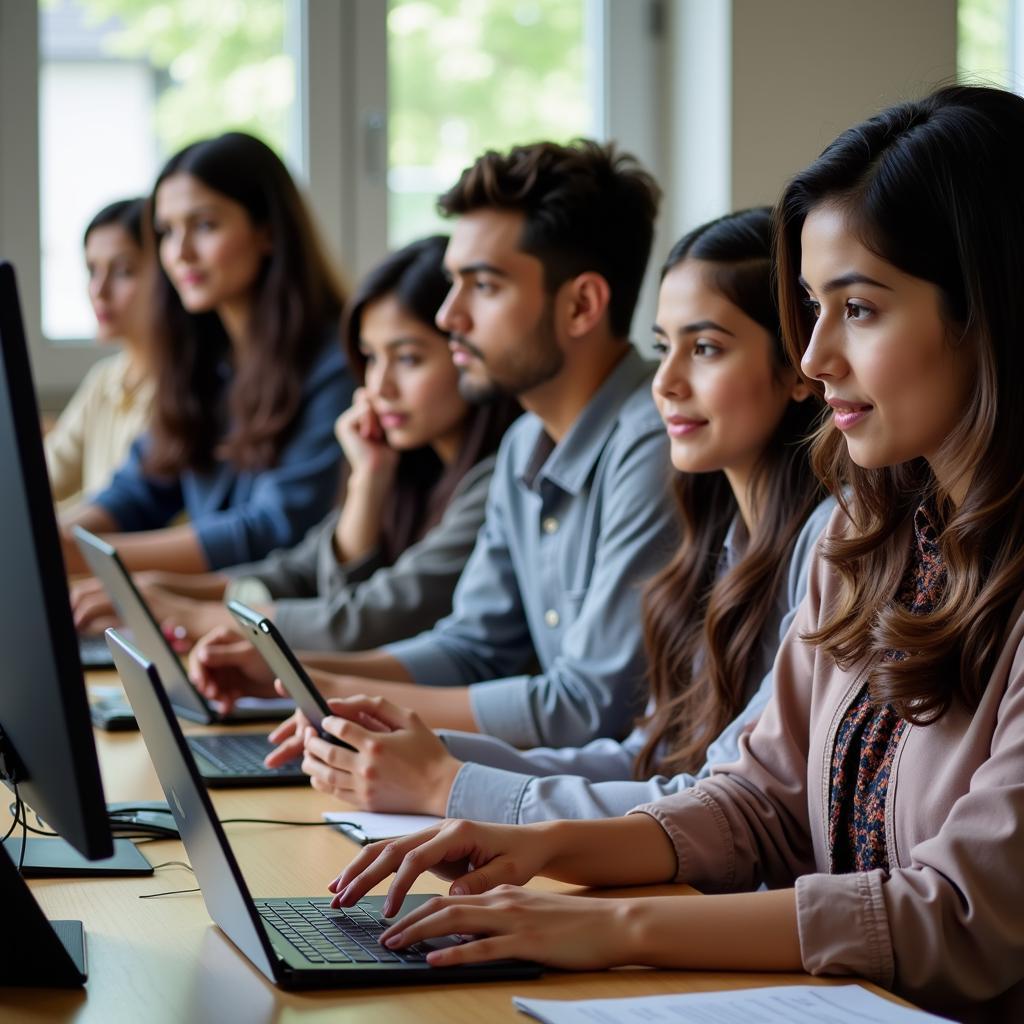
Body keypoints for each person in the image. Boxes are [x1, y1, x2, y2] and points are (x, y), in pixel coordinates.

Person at [323, 86, 1024, 1022]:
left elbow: (966, 918)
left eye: (857, 309)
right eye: (812, 307)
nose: (814, 357)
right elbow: (761, 800)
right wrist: (536, 847)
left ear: (993, 309)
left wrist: (618, 931)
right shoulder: (869, 535)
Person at [278, 208, 835, 820]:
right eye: (662, 346)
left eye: (704, 348)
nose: (666, 382)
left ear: (797, 368)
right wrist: (430, 755)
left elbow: (715, 801)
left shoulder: (820, 542)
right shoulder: (726, 532)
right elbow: (654, 758)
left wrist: (446, 783)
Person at [190, 138, 680, 748]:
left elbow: (587, 707)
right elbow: (471, 648)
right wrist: (297, 678)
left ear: (581, 304)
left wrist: (332, 696)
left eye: (484, 286)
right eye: (453, 283)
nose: (449, 315)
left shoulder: (654, 445)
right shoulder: (526, 442)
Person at [72, 235, 520, 650]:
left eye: (408, 358)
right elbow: (298, 573)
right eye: (369, 357)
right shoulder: (412, 468)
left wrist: (195, 615)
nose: (378, 385)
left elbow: (360, 621)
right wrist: (160, 589)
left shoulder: (493, 481)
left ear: (465, 352)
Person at [61, 132, 353, 580]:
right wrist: (57, 541)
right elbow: (140, 490)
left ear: (268, 234)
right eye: (167, 232)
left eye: (205, 226)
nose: (179, 253)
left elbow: (275, 527)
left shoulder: (333, 363)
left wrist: (92, 559)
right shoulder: (202, 360)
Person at [45, 198, 153, 508]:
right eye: (93, 270)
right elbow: (49, 471)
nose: (99, 290)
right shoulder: (105, 379)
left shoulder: (185, 391)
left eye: (123, 271)